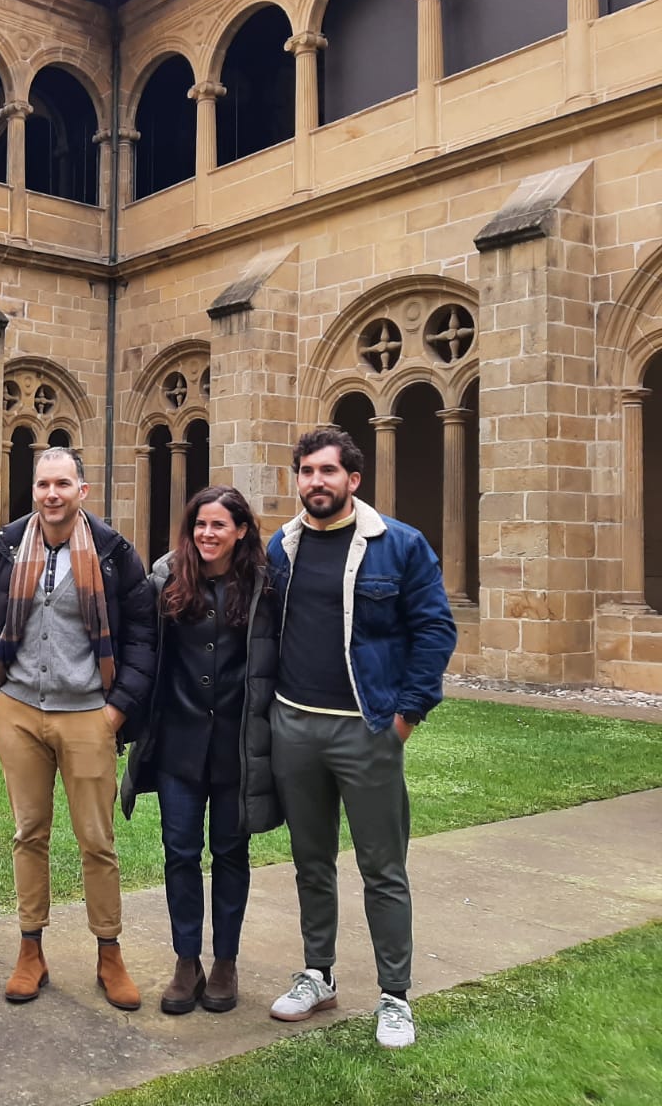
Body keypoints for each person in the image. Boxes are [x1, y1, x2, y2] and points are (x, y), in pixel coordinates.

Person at [265, 427, 456, 1050]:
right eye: (306, 471)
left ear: (354, 479)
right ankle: (318, 974)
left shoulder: (397, 545)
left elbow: (434, 630)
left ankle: (394, 995)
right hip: (294, 722)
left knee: (382, 867)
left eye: (327, 471)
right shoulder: (282, 548)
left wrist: (405, 717)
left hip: (366, 728)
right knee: (310, 862)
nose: (315, 482)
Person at [0, 447, 157, 1010]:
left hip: (87, 714)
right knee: (29, 833)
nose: (53, 494)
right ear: (34, 491)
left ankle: (109, 952)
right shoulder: (7, 548)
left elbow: (143, 634)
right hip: (20, 711)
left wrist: (117, 708)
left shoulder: (113, 554)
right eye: (43, 484)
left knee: (97, 841)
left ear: (82, 490)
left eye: (63, 484)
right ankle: (31, 949)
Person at [120, 485, 280, 1015]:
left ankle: (226, 961)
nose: (207, 534)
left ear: (240, 531)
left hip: (237, 745)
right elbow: (134, 642)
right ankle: (186, 961)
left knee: (232, 854)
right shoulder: (166, 579)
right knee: (181, 854)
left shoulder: (263, 584)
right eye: (199, 525)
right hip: (178, 746)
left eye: (218, 525)